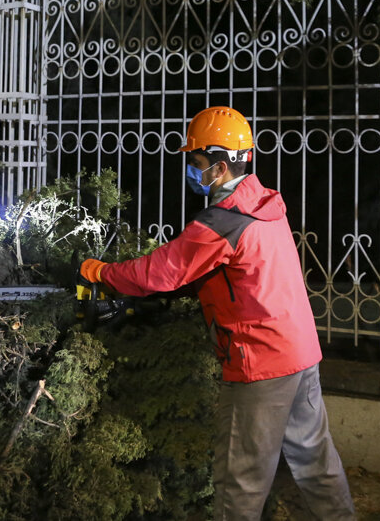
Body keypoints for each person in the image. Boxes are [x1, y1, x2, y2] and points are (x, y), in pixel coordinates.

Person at [80, 106, 355, 521]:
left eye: (197, 162)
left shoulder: (224, 220)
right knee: (317, 465)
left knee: (239, 481)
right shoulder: (266, 206)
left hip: (260, 364)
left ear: (220, 165)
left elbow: (160, 271)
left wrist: (101, 273)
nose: (192, 170)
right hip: (301, 356)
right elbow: (238, 274)